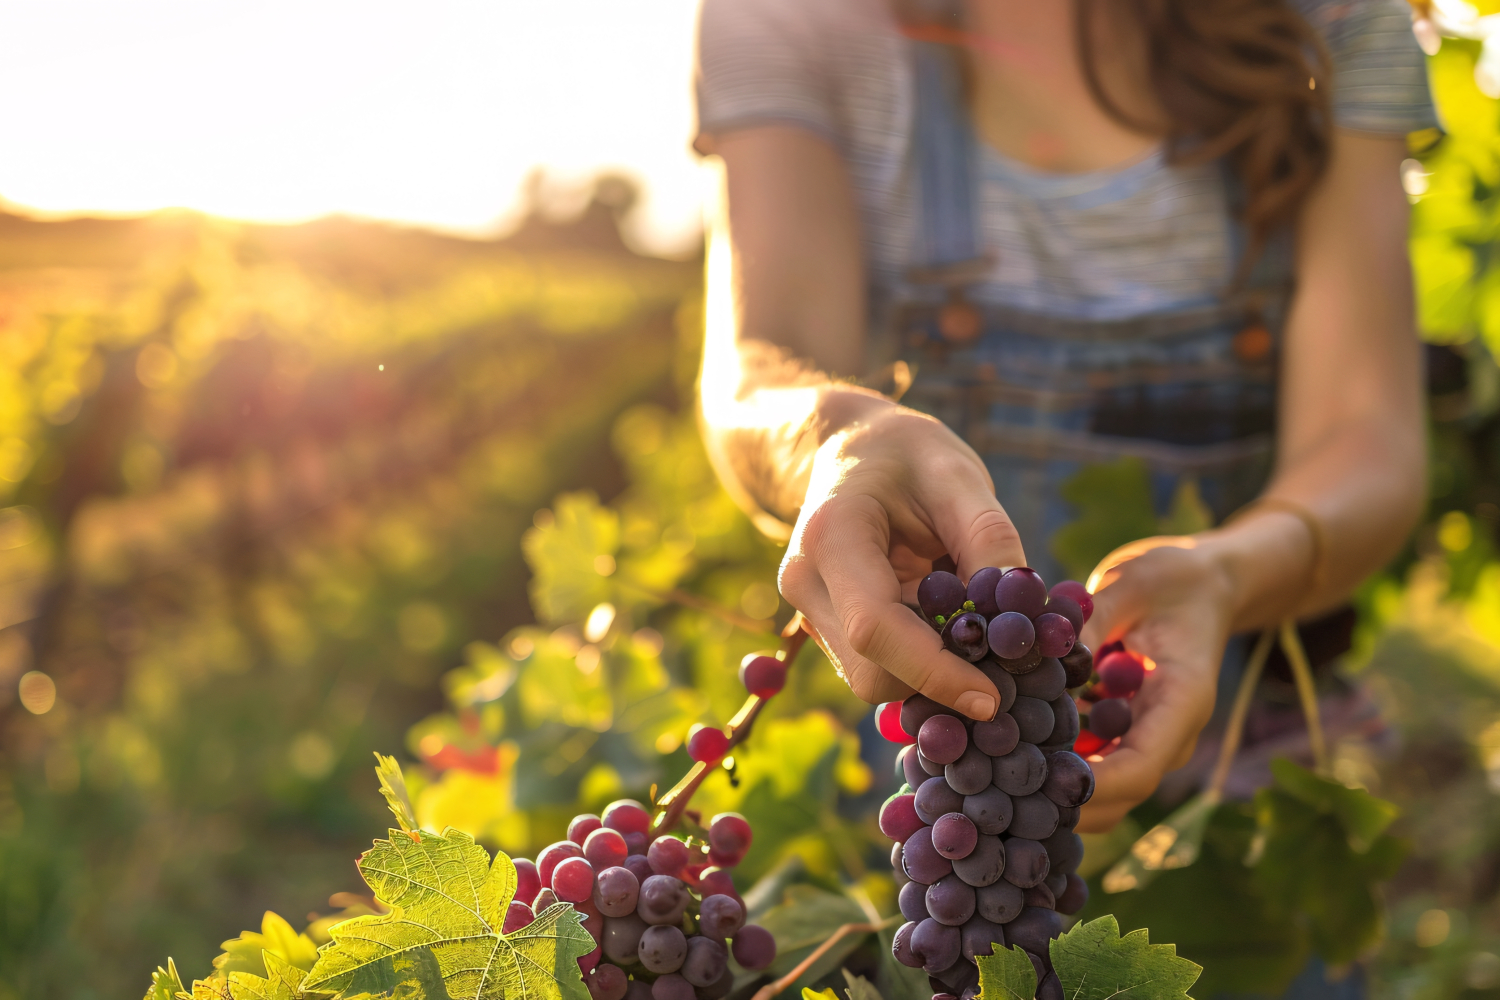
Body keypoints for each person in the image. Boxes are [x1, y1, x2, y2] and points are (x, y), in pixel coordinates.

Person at [693, 0, 1434, 837]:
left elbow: (1368, 441)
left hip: (1242, 800)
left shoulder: (1334, 19)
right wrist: (832, 436)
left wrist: (1227, 576)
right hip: (944, 792)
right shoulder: (786, 16)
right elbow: (759, 370)